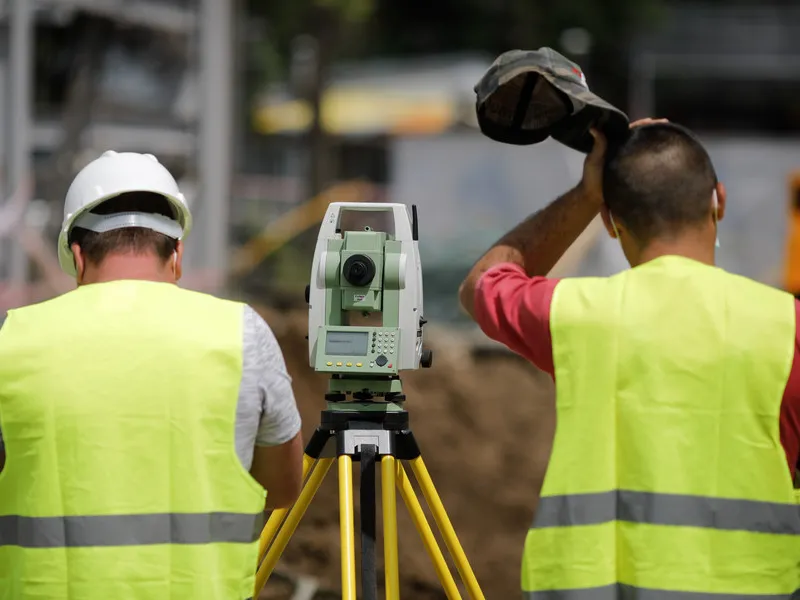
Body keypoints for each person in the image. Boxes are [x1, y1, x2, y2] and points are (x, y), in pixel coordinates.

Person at [459, 120, 800, 598]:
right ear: (718, 199)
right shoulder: (787, 324)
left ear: (608, 221)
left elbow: (484, 284)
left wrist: (584, 193)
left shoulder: (577, 314)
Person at [0, 151, 304, 599]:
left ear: (78, 256)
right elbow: (282, 487)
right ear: (177, 253)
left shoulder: (15, 338)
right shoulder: (242, 333)